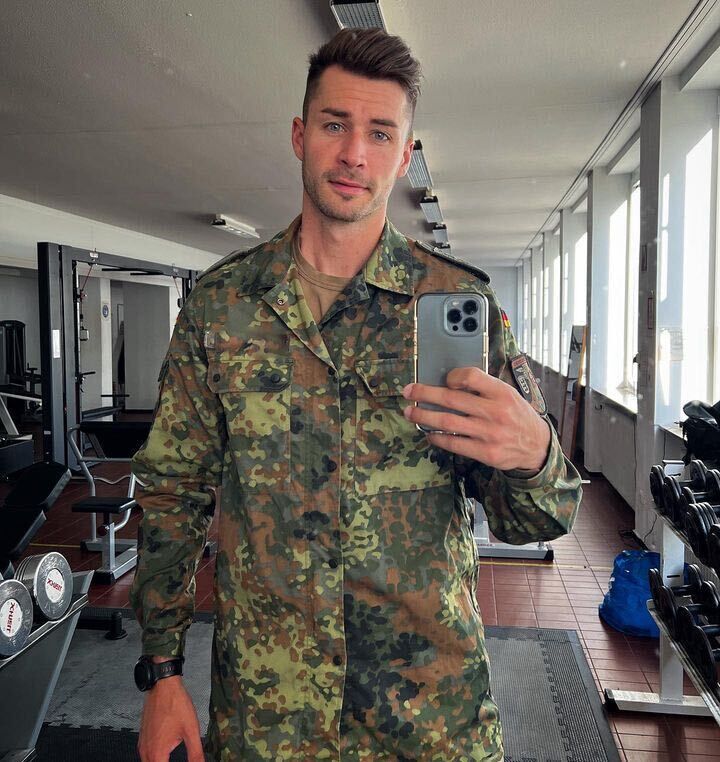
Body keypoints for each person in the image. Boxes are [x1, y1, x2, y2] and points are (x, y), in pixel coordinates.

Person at [130, 27, 582, 762]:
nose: (353, 154)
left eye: (379, 133)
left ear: (405, 156)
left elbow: (540, 518)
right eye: (335, 125)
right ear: (300, 135)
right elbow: (173, 492)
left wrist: (535, 457)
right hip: (270, 715)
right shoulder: (222, 306)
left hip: (430, 719)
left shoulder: (457, 303)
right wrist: (161, 671)